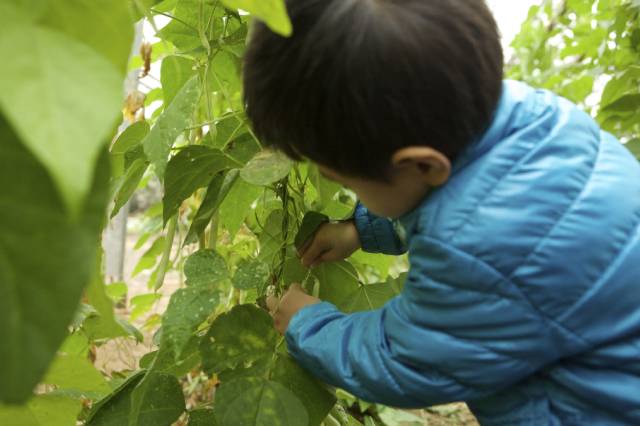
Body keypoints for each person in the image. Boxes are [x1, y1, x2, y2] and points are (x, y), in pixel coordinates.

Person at [245, 0, 640, 424]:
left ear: (423, 164)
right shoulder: (536, 118)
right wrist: (360, 230)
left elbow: (405, 361)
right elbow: (461, 196)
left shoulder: (484, 253)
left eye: (344, 180)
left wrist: (309, 325)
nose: (345, 188)